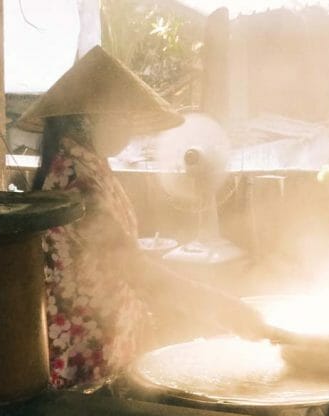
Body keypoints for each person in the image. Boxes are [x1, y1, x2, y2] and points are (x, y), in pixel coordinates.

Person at [15, 46, 267, 390]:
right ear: (88, 117)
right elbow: (132, 268)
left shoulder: (90, 164)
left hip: (109, 338)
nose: (130, 128)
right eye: (123, 117)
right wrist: (226, 310)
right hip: (85, 353)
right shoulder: (75, 179)